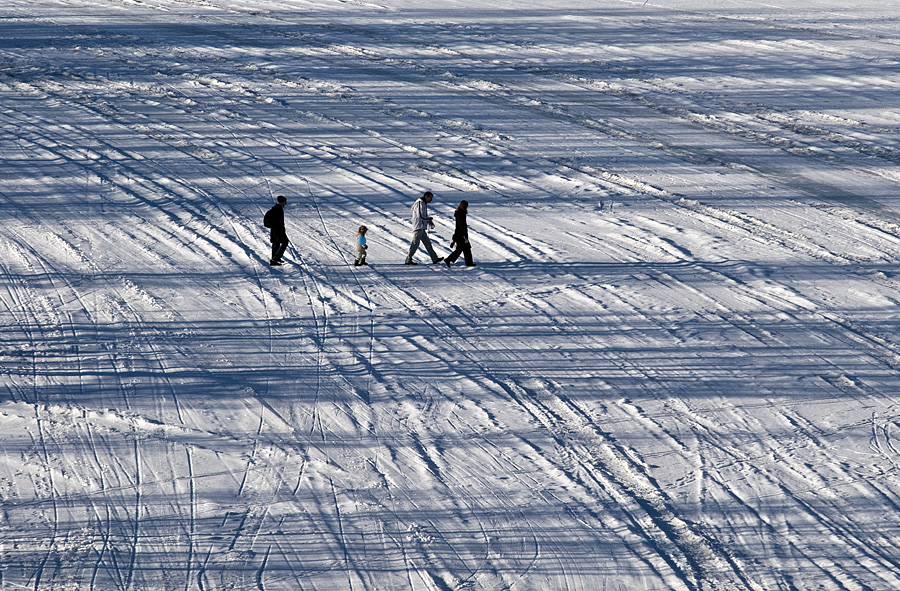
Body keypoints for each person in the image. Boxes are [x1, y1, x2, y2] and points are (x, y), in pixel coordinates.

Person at [405, 191, 444, 265]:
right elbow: (420, 216)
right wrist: (428, 219)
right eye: (430, 198)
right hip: (418, 227)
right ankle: (408, 260)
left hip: (421, 227)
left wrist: (427, 220)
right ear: (426, 196)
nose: (431, 200)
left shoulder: (423, 203)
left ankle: (435, 258)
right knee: (415, 244)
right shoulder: (420, 203)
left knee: (427, 243)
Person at [445, 200, 475, 268]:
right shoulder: (461, 213)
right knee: (461, 249)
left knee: (465, 248)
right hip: (461, 234)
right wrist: (465, 234)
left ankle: (469, 262)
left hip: (459, 233)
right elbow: (462, 225)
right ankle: (448, 259)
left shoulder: (459, 212)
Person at [265, 195, 289, 266]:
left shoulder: (275, 208)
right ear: (282, 202)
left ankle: (274, 260)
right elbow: (278, 222)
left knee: (276, 243)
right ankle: (276, 258)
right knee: (284, 242)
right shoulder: (278, 209)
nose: (285, 203)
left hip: (275, 230)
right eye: (285, 202)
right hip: (278, 230)